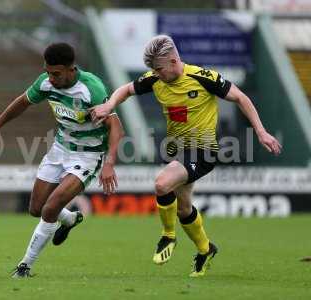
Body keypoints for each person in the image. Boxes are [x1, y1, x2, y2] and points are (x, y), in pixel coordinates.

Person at [90, 35, 282, 277]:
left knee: (161, 183)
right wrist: (109, 106)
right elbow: (126, 89)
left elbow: (241, 98)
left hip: (202, 150)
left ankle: (168, 237)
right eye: (153, 70)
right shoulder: (155, 79)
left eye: (159, 68)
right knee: (183, 209)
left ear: (173, 60)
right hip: (175, 150)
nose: (156, 74)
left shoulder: (203, 77)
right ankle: (205, 250)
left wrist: (261, 132)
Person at [0, 42, 124, 278]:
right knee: (36, 209)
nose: (50, 78)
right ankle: (70, 219)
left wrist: (109, 164)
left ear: (71, 69)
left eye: (56, 73)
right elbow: (22, 102)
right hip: (60, 149)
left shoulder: (91, 89)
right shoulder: (46, 83)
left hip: (88, 155)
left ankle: (24, 266)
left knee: (50, 208)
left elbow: (116, 127)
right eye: (48, 72)